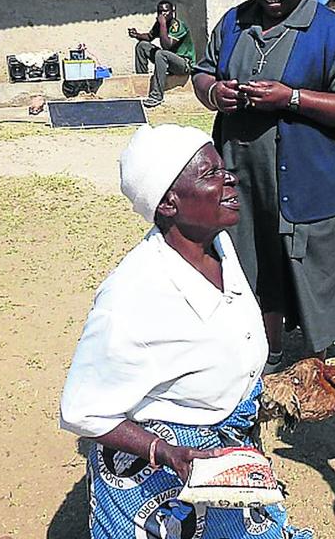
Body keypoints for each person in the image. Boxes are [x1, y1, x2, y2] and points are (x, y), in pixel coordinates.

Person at [60, 124, 314, 539]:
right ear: (168, 203)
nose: (230, 178)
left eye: (223, 168)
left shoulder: (218, 246)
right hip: (170, 459)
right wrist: (165, 452)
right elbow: (81, 411)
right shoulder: (131, 296)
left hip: (221, 447)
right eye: (210, 175)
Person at [191, 0, 335, 371]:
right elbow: (202, 72)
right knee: (255, 257)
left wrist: (291, 98)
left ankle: (317, 359)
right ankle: (268, 349)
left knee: (311, 264)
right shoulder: (235, 23)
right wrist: (216, 92)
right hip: (244, 171)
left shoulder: (332, 32)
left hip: (307, 175)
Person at [129, 0, 195, 108]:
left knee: (161, 54)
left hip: (183, 64)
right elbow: (149, 37)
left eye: (165, 11)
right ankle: (142, 81)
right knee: (142, 46)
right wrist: (137, 35)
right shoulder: (159, 24)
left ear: (172, 11)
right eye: (160, 12)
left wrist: (163, 24)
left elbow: (167, 46)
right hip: (168, 60)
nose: (162, 14)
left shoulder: (177, 26)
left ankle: (156, 96)